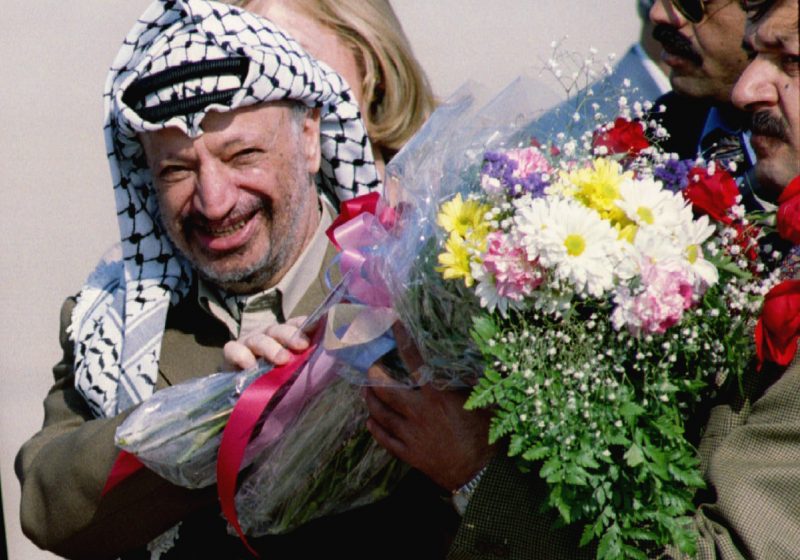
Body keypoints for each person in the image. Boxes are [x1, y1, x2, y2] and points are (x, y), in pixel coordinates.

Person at [15, 1, 458, 559]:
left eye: (242, 155)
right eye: (177, 169)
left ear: (309, 136)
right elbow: (48, 505)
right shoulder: (114, 324)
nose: (214, 201)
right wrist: (211, 415)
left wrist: (465, 464)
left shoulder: (422, 283)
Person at [223, 0, 437, 179]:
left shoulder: (445, 191)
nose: (267, 90)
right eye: (250, 71)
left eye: (293, 63)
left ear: (372, 62)